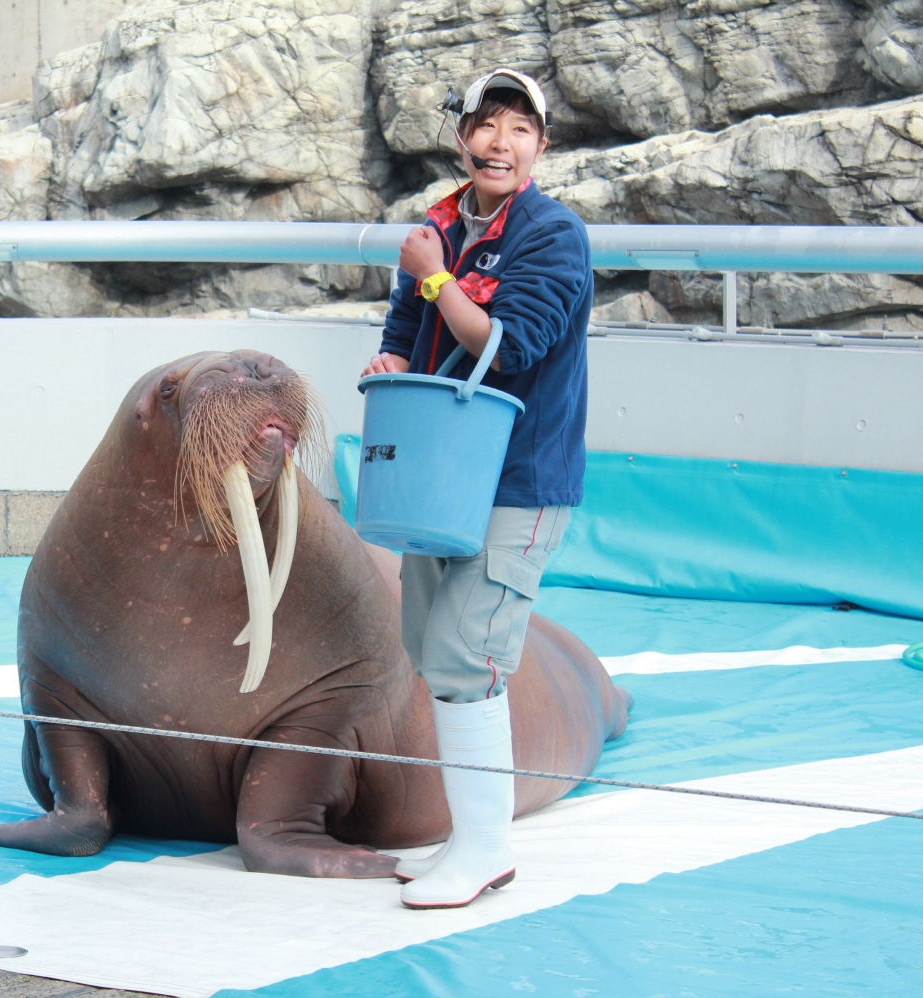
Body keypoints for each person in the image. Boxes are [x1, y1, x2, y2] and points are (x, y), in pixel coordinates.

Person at [360, 68, 592, 910]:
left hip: (517, 481)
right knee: (432, 648)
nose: (501, 142)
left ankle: (487, 852)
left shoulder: (553, 234)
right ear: (462, 137)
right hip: (439, 476)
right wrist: (391, 355)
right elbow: (406, 328)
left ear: (542, 145)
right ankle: (467, 837)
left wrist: (434, 277)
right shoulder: (440, 224)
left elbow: (509, 347)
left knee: (468, 657)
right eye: (487, 124)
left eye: (520, 128)